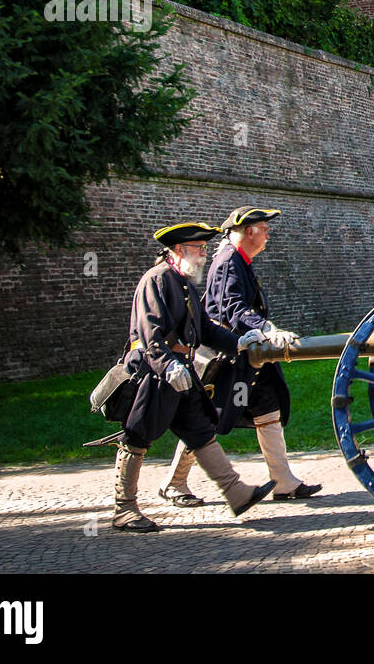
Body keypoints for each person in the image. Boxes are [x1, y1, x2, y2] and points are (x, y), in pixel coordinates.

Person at [112, 222, 274, 532]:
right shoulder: (156, 281)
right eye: (198, 249)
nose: (204, 255)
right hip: (156, 374)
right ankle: (124, 508)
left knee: (201, 430)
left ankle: (236, 493)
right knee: (137, 435)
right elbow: (150, 336)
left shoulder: (184, 283)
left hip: (181, 373)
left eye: (203, 249)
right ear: (177, 251)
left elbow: (206, 328)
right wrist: (168, 366)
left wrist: (239, 341)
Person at [158, 207, 321, 507]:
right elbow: (230, 308)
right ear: (248, 232)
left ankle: (283, 481)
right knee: (209, 417)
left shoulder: (238, 260)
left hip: (250, 358)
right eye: (263, 227)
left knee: (267, 406)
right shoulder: (228, 261)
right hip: (230, 359)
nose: (268, 233)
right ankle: (175, 482)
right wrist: (267, 328)